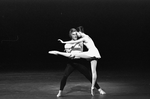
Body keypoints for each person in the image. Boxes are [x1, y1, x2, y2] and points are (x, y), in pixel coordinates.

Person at [49, 27, 106, 96]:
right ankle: (60, 92)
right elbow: (68, 53)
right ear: (71, 35)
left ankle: (99, 89)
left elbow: (81, 51)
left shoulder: (80, 42)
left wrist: (76, 45)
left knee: (89, 76)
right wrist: (71, 48)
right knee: (65, 76)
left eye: (76, 34)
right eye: (73, 34)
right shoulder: (67, 44)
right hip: (71, 63)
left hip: (79, 62)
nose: (75, 35)